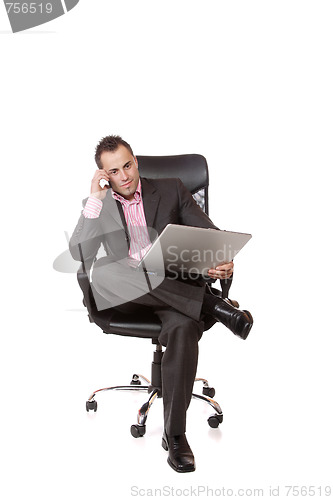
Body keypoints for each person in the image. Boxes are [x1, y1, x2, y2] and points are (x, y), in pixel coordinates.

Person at [69, 135, 253, 473]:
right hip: (126, 295)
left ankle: (176, 435)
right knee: (108, 272)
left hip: (174, 293)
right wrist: (95, 198)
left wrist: (220, 258)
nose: (124, 176)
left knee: (183, 328)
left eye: (127, 165)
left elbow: (207, 233)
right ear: (103, 174)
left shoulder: (172, 189)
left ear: (135, 161)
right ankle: (213, 306)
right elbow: (80, 254)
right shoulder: (100, 204)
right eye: (114, 171)